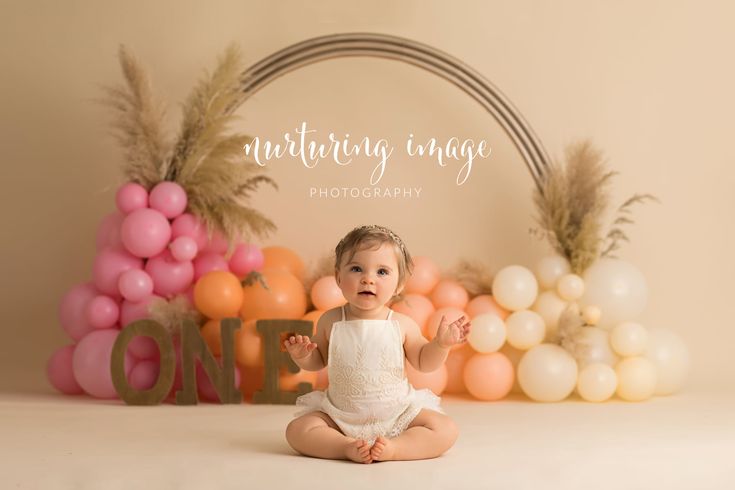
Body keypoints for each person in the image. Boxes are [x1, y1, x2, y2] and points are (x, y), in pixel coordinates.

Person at [284, 225, 471, 463]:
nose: (368, 279)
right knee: (298, 430)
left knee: (446, 429)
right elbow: (318, 360)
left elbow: (424, 361)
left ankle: (396, 448)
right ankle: (345, 446)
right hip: (341, 416)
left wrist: (441, 345)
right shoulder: (330, 320)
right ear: (339, 277)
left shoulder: (402, 324)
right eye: (356, 269)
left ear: (399, 284)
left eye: (382, 272)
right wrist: (302, 356)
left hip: (397, 415)